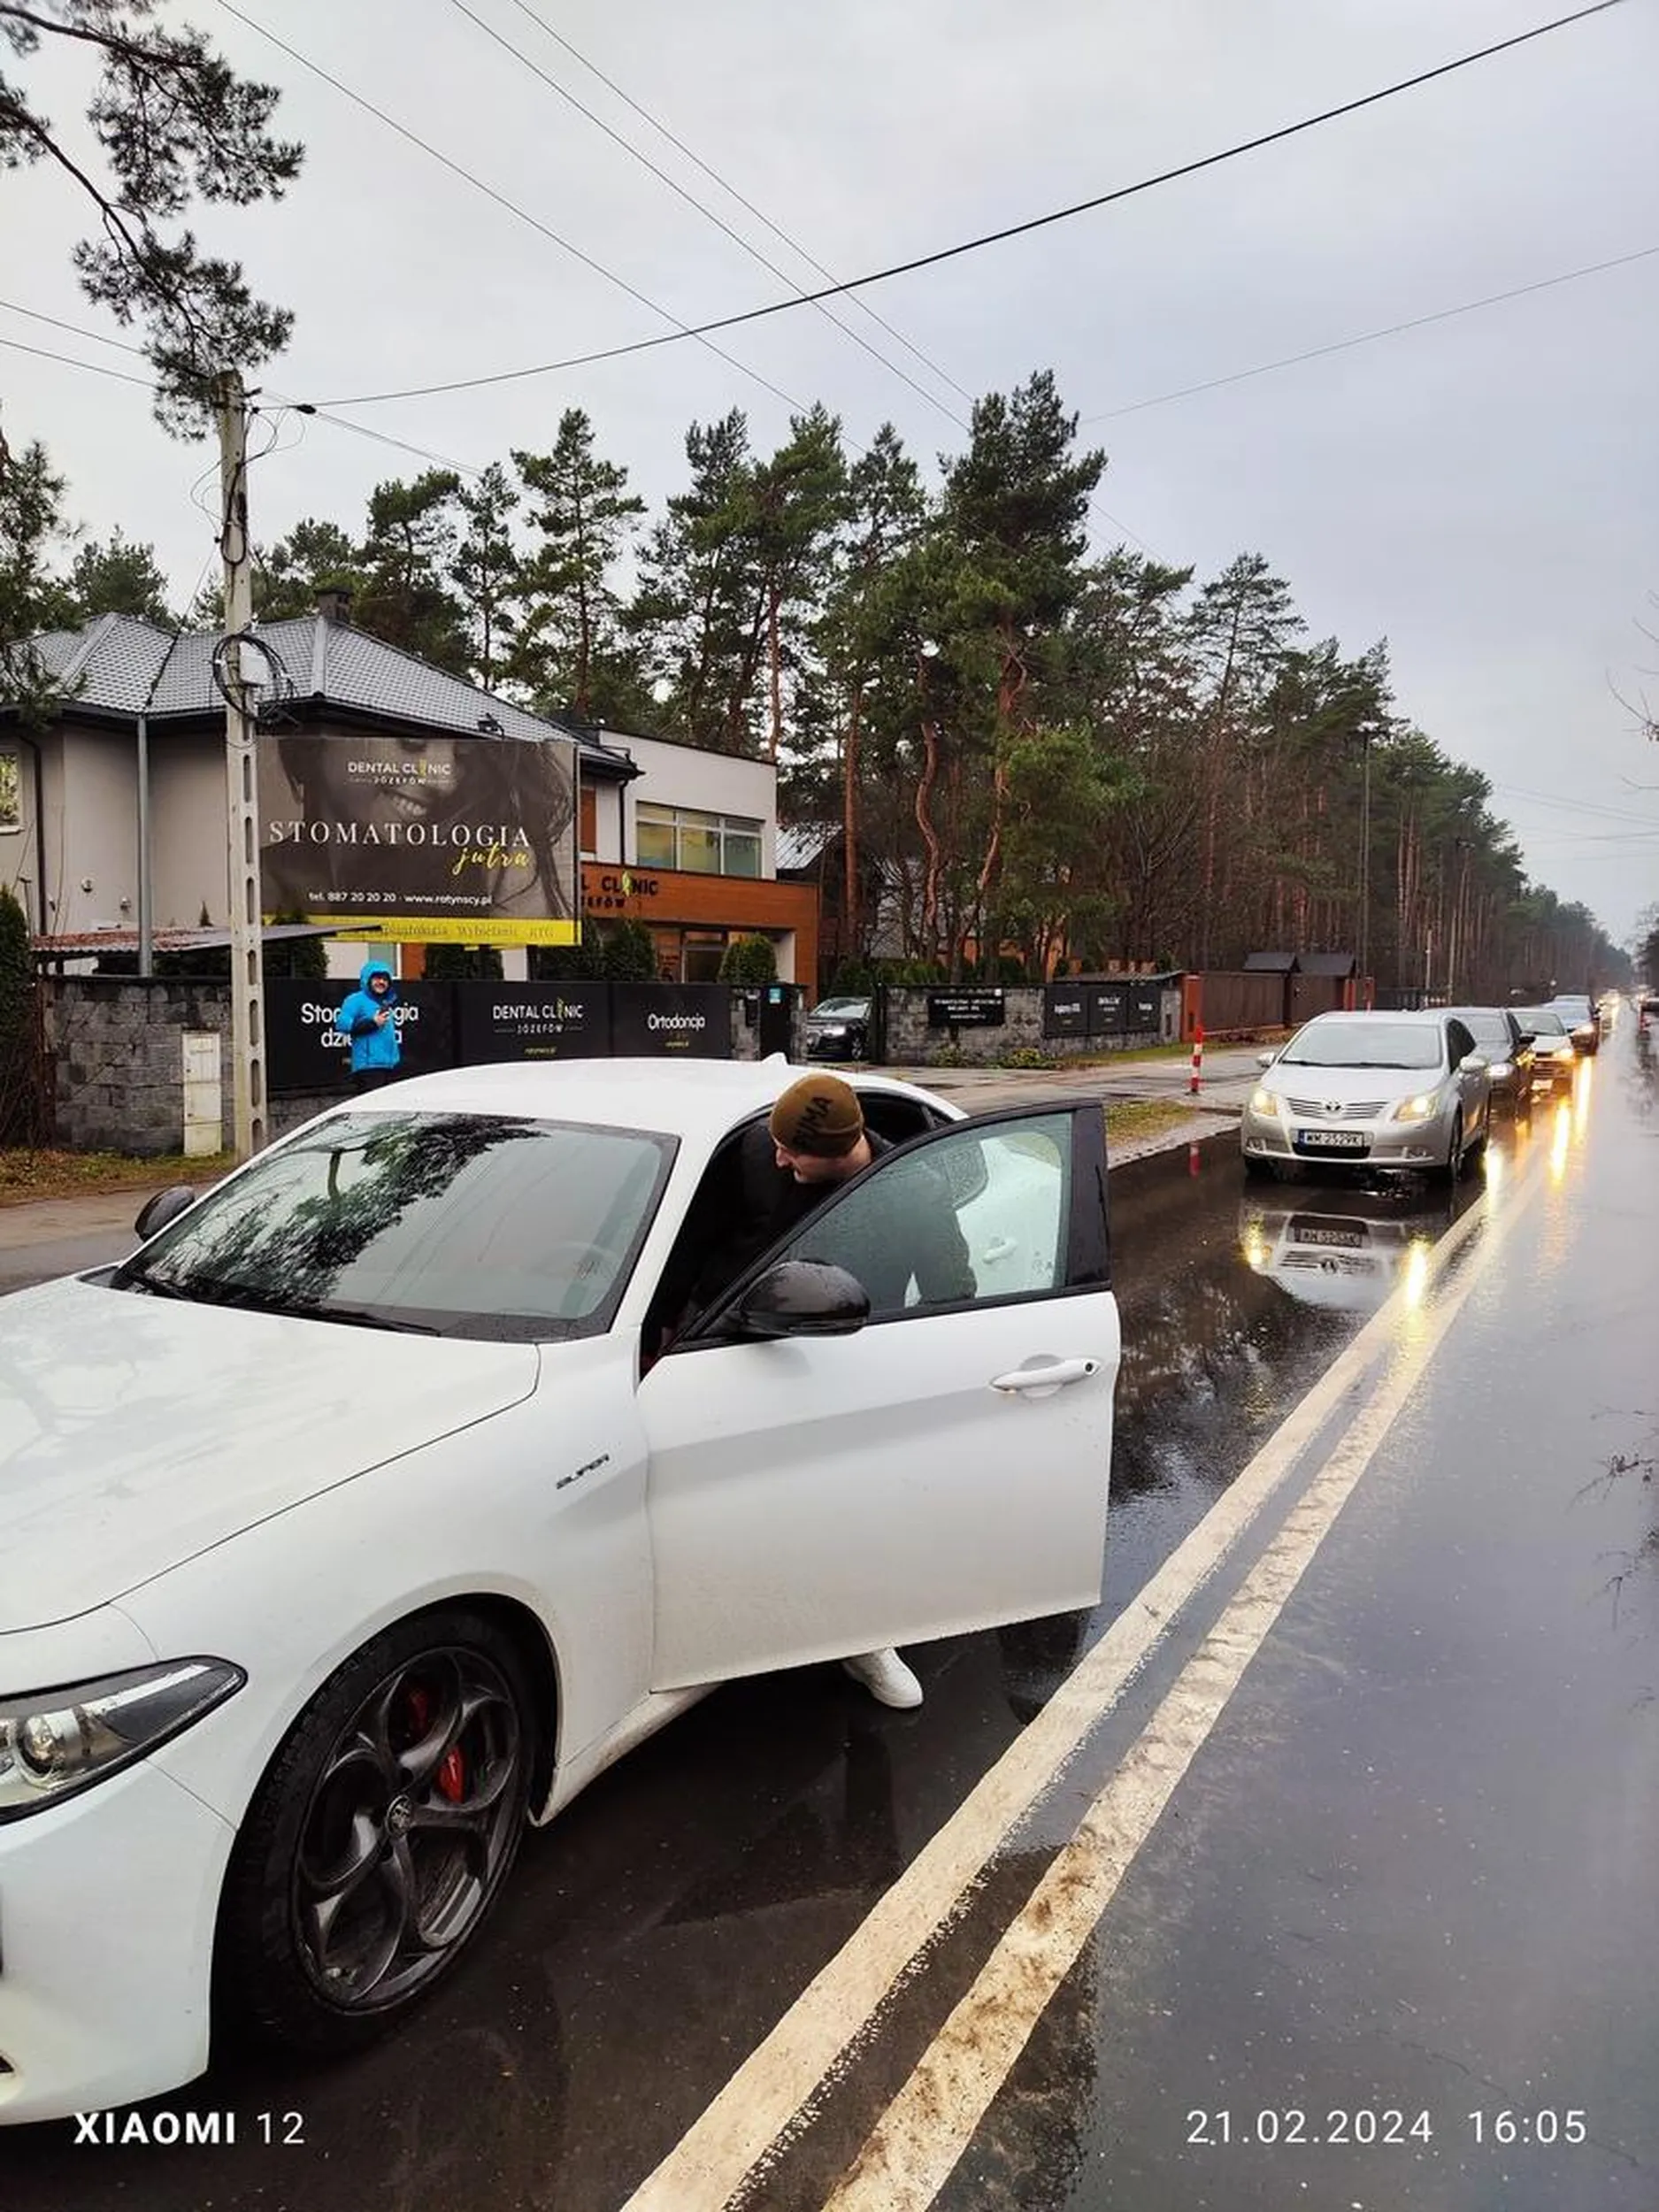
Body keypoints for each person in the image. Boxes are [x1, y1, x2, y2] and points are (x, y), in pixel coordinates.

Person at [692, 1071, 976, 1711]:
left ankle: (864, 1640)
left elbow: (952, 1296)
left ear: (842, 1146)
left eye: (793, 1151)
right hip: (726, 1352)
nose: (778, 1158)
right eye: (775, 1144)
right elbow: (695, 1247)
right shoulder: (756, 1160)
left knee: (850, 1514)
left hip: (845, 1367)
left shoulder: (913, 1195)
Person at [337, 958, 403, 1091]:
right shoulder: (355, 1000)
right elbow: (342, 1024)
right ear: (367, 979)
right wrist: (373, 1023)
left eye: (385, 979)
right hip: (369, 1068)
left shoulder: (385, 1002)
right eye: (377, 978)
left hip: (390, 1065)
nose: (381, 982)